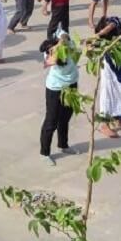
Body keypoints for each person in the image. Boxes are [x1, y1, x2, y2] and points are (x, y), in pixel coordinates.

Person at [38, 33, 79, 166]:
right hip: (55, 89)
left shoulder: (68, 45)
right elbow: (52, 61)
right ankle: (44, 153)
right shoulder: (50, 54)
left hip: (71, 86)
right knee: (51, 121)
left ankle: (63, 144)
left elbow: (66, 36)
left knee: (66, 116)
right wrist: (57, 48)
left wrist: (62, 42)